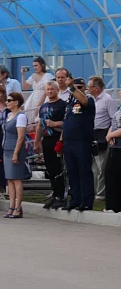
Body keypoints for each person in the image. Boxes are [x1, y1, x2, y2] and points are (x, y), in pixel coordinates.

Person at [61, 77, 96, 212]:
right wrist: (61, 139)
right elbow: (66, 122)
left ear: (85, 88)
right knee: (72, 172)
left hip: (82, 141)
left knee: (84, 171)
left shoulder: (88, 100)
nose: (76, 90)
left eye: (79, 87)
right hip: (69, 141)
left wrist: (72, 88)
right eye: (75, 87)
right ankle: (75, 200)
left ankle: (86, 201)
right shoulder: (69, 102)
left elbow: (84, 100)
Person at [34, 82, 67, 210]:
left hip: (57, 139)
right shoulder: (43, 106)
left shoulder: (63, 105)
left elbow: (68, 123)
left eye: (52, 89)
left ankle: (61, 196)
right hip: (46, 140)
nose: (49, 91)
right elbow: (40, 125)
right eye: (47, 89)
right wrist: (37, 141)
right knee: (50, 169)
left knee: (58, 168)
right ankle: (54, 194)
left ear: (57, 90)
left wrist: (55, 124)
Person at [88, 76, 117, 201]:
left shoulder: (107, 100)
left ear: (97, 88)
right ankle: (94, 190)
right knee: (93, 166)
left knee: (101, 166)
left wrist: (109, 136)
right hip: (92, 133)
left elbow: (114, 119)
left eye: (89, 87)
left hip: (103, 134)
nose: (87, 89)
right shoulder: (92, 100)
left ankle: (101, 193)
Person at [2, 92, 28, 218]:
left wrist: (16, 153)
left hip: (15, 150)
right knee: (10, 179)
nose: (7, 102)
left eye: (9, 100)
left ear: (16, 102)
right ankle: (11, 206)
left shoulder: (20, 116)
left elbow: (21, 136)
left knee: (17, 179)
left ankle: (18, 207)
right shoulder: (9, 115)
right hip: (6, 149)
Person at [21, 57, 55, 121]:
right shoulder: (33, 76)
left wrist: (40, 104)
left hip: (43, 99)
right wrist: (23, 75)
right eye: (33, 66)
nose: (34, 67)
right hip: (32, 99)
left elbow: (46, 91)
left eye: (36, 65)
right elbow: (25, 87)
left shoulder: (47, 75)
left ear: (42, 65)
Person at [104, 100, 121, 213]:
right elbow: (113, 124)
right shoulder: (119, 107)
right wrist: (108, 135)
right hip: (115, 147)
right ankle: (111, 206)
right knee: (110, 176)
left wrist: (110, 135)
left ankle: (117, 207)